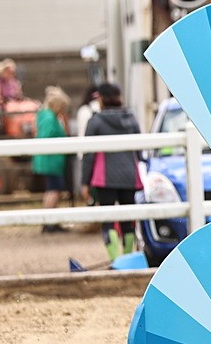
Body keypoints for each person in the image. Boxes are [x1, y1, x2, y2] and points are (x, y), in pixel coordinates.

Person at [81, 82, 143, 260]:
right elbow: (140, 149)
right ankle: (129, 257)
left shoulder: (96, 121)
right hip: (130, 176)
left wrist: (85, 182)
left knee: (108, 219)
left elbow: (88, 154)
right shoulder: (131, 118)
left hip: (105, 178)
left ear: (101, 99)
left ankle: (115, 260)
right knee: (128, 219)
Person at [32, 86, 71, 233]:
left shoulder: (44, 115)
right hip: (51, 160)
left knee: (51, 189)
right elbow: (46, 137)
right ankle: (49, 222)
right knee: (54, 190)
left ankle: (49, 220)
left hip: (50, 160)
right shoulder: (49, 118)